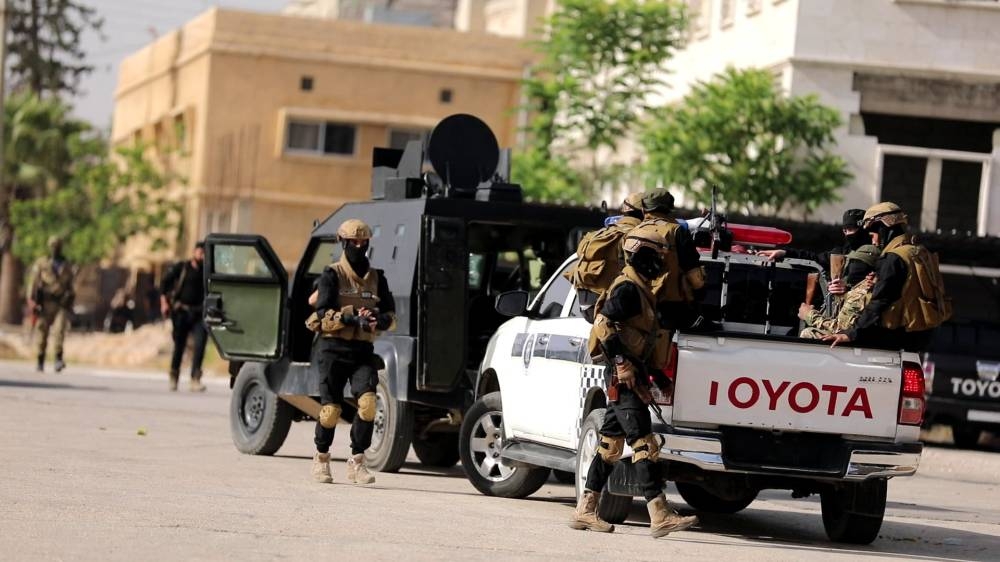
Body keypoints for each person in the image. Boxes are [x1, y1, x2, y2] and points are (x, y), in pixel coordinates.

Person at [571, 224, 698, 538]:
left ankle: (585, 510)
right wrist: (621, 363)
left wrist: (657, 377)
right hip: (623, 377)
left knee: (609, 446)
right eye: (655, 255)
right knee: (644, 444)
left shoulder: (641, 288)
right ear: (638, 254)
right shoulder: (627, 288)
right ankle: (659, 513)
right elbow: (604, 324)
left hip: (630, 375)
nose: (660, 261)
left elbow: (639, 339)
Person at [307, 219, 396, 485]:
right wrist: (351, 317)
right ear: (343, 242)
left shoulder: (377, 277)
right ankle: (321, 458)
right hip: (332, 349)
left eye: (363, 242)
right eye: (353, 242)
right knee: (330, 411)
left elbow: (391, 316)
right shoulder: (331, 274)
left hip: (362, 350)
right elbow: (322, 314)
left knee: (368, 405)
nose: (359, 246)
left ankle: (357, 462)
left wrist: (377, 320)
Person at [822, 202, 950, 352]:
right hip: (921, 334)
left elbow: (880, 301)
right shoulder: (917, 251)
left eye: (873, 235)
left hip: (896, 336)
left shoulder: (893, 258)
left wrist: (851, 333)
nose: (874, 242)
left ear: (884, 229)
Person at [567, 192, 645, 322]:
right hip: (613, 312)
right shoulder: (637, 236)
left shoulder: (599, 235)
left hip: (588, 308)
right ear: (644, 212)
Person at [638, 190, 706, 330]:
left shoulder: (634, 231)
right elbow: (694, 276)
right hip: (668, 311)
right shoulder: (677, 231)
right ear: (669, 209)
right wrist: (700, 294)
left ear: (644, 209)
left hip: (637, 307)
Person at [160, 241, 208, 392]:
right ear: (194, 252)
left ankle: (195, 379)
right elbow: (164, 284)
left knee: (200, 345)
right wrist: (164, 303)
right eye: (200, 252)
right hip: (181, 312)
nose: (202, 256)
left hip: (199, 314)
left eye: (205, 253)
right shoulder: (182, 268)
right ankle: (174, 376)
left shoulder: (207, 271)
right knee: (179, 346)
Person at [28, 236, 76, 373]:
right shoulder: (42, 263)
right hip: (45, 303)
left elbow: (70, 285)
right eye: (53, 246)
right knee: (42, 332)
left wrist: (70, 298)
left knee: (60, 331)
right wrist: (32, 301)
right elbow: (34, 282)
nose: (55, 249)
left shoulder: (66, 265)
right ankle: (40, 359)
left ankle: (58, 359)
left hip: (60, 303)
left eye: (57, 246)